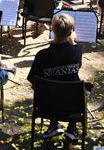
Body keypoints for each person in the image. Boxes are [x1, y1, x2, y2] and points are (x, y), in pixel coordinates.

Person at [27, 13, 82, 141]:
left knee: (49, 86)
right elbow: (75, 64)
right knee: (76, 82)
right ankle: (72, 127)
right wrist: (72, 41)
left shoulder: (42, 55)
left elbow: (33, 83)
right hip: (72, 104)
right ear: (70, 33)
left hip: (47, 105)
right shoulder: (77, 51)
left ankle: (53, 124)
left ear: (52, 30)